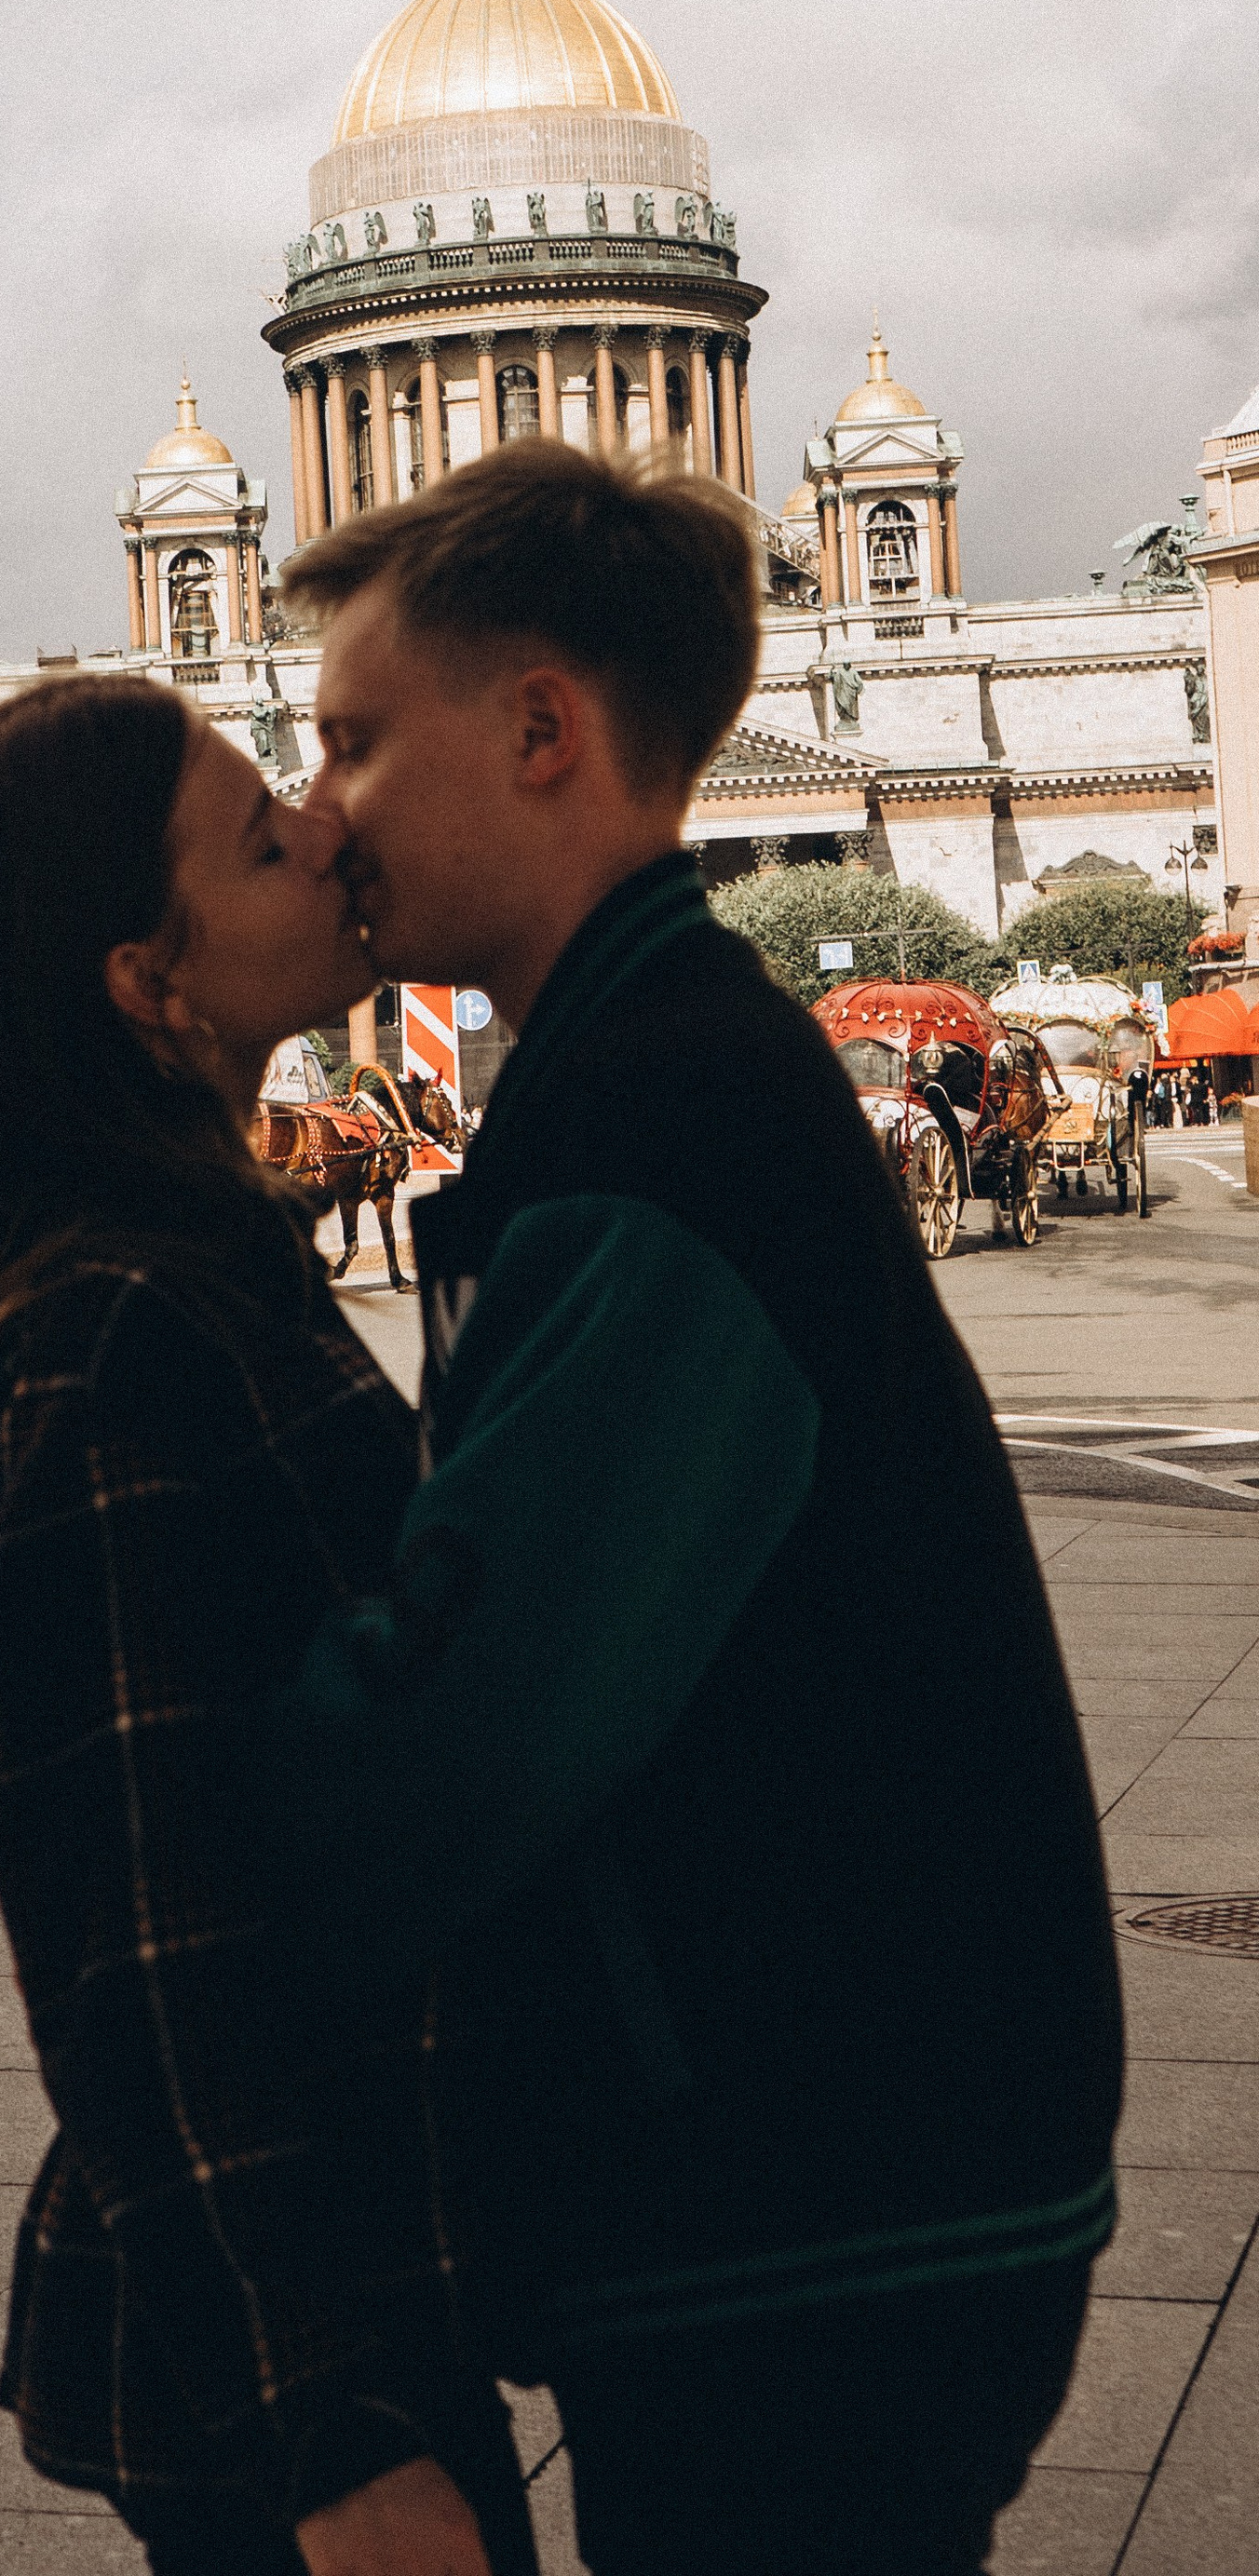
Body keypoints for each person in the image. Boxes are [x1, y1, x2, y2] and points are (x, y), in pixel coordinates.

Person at [278, 441, 1122, 2576]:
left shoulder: (657, 1115)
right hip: (846, 2144)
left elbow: (468, 1723)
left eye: (356, 743)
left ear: (543, 727)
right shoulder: (656, 1063)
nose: (318, 815)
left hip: (808, 2182)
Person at [0, 672, 537, 2576]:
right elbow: (136, 1938)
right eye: (259, 838)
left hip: (319, 2299)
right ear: (149, 987)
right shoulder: (122, 1337)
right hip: (296, 2361)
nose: (326, 830)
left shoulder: (169, 1273)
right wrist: (333, 2430)